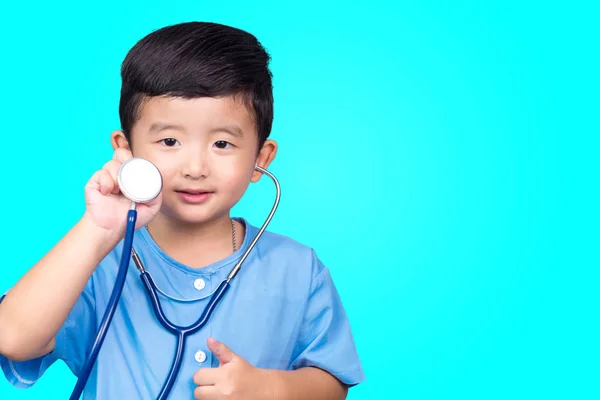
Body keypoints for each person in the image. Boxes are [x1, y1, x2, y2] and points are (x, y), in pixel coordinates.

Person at [0, 21, 364, 399]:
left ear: (261, 157)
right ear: (127, 149)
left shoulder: (298, 269)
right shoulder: (95, 262)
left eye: (222, 144)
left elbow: (332, 384)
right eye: (170, 140)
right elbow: (12, 339)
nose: (195, 167)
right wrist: (98, 229)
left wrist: (270, 388)